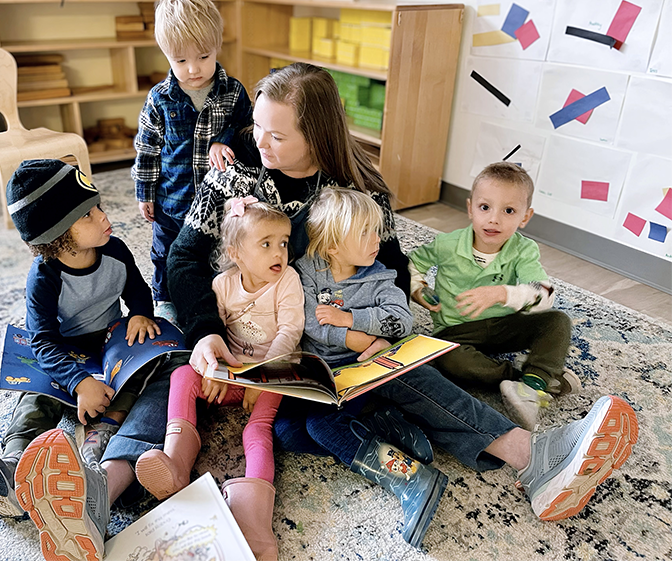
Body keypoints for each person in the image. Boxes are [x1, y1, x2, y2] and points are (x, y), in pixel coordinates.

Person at [166, 62, 638, 539]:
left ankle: (528, 454)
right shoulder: (234, 174)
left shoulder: (360, 188)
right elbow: (182, 260)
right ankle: (497, 449)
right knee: (300, 427)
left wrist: (372, 329)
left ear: (317, 134)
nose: (260, 143)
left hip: (324, 329)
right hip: (247, 334)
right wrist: (204, 330)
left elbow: (390, 268)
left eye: (277, 136)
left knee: (400, 371)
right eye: (258, 128)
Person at [0, 158, 160, 524]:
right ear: (57, 236)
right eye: (86, 215)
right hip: (62, 352)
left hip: (108, 343)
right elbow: (43, 343)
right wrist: (79, 382)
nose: (103, 216)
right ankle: (14, 467)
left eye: (97, 205)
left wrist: (140, 315)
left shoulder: (115, 251)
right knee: (35, 397)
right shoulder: (44, 277)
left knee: (137, 381)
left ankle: (91, 463)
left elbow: (138, 292)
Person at [135, 196, 304, 560]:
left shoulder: (287, 281)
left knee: (256, 431)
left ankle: (254, 520)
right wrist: (214, 372)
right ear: (236, 253)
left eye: (283, 243)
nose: (279, 252)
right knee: (183, 375)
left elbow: (289, 333)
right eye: (266, 244)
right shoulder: (223, 285)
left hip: (271, 376)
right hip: (232, 373)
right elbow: (216, 334)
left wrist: (262, 379)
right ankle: (176, 464)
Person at [292, 186, 447, 548]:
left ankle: (410, 479)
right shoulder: (307, 271)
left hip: (360, 373)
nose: (377, 240)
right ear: (332, 246)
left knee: (321, 426)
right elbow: (308, 322)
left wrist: (349, 318)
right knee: (286, 435)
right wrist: (361, 338)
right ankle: (384, 427)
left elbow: (401, 322)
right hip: (320, 371)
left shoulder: (380, 276)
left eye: (376, 230)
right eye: (365, 233)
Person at [409, 161, 580, 431]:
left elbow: (545, 293)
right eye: (484, 207)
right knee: (443, 359)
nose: (494, 219)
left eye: (509, 210)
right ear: (470, 208)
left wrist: (502, 293)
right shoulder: (447, 244)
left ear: (525, 217)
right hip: (455, 331)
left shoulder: (524, 250)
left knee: (557, 320)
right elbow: (410, 263)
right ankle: (531, 379)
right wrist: (418, 288)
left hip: (504, 326)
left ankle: (535, 384)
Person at [132, 0, 253, 326]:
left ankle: (208, 297)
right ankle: (165, 298)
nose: (194, 69)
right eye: (180, 61)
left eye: (203, 56)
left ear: (217, 47)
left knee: (211, 253)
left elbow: (248, 133)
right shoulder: (160, 98)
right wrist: (145, 192)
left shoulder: (232, 91)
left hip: (218, 200)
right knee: (164, 253)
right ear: (166, 55)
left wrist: (222, 141)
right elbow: (147, 148)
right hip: (172, 199)